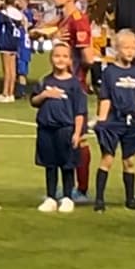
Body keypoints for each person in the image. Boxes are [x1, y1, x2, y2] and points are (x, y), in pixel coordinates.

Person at [93, 30, 135, 213]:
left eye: (132, 48)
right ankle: (99, 199)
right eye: (126, 47)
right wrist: (101, 121)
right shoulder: (110, 72)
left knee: (130, 161)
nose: (129, 51)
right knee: (108, 159)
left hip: (132, 122)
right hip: (114, 120)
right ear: (117, 49)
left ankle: (130, 199)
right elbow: (106, 98)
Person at [49, 0, 96, 203]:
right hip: (62, 84)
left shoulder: (78, 20)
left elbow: (88, 57)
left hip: (74, 85)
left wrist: (78, 75)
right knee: (63, 135)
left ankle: (82, 188)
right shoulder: (64, 19)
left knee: (79, 137)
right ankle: (70, 186)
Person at [32, 43, 87, 214]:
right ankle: (50, 197)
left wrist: (77, 133)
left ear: (70, 60)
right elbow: (34, 101)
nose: (60, 59)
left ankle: (67, 197)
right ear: (51, 58)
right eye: (57, 56)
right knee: (50, 164)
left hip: (66, 129)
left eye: (64, 56)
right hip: (46, 129)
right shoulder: (45, 81)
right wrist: (44, 95)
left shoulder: (74, 84)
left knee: (67, 165)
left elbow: (80, 112)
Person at [0, 0, 26, 103]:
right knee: (12, 70)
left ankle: (5, 93)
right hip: (15, 42)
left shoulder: (4, 13)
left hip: (6, 41)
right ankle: (11, 93)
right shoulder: (19, 14)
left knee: (7, 70)